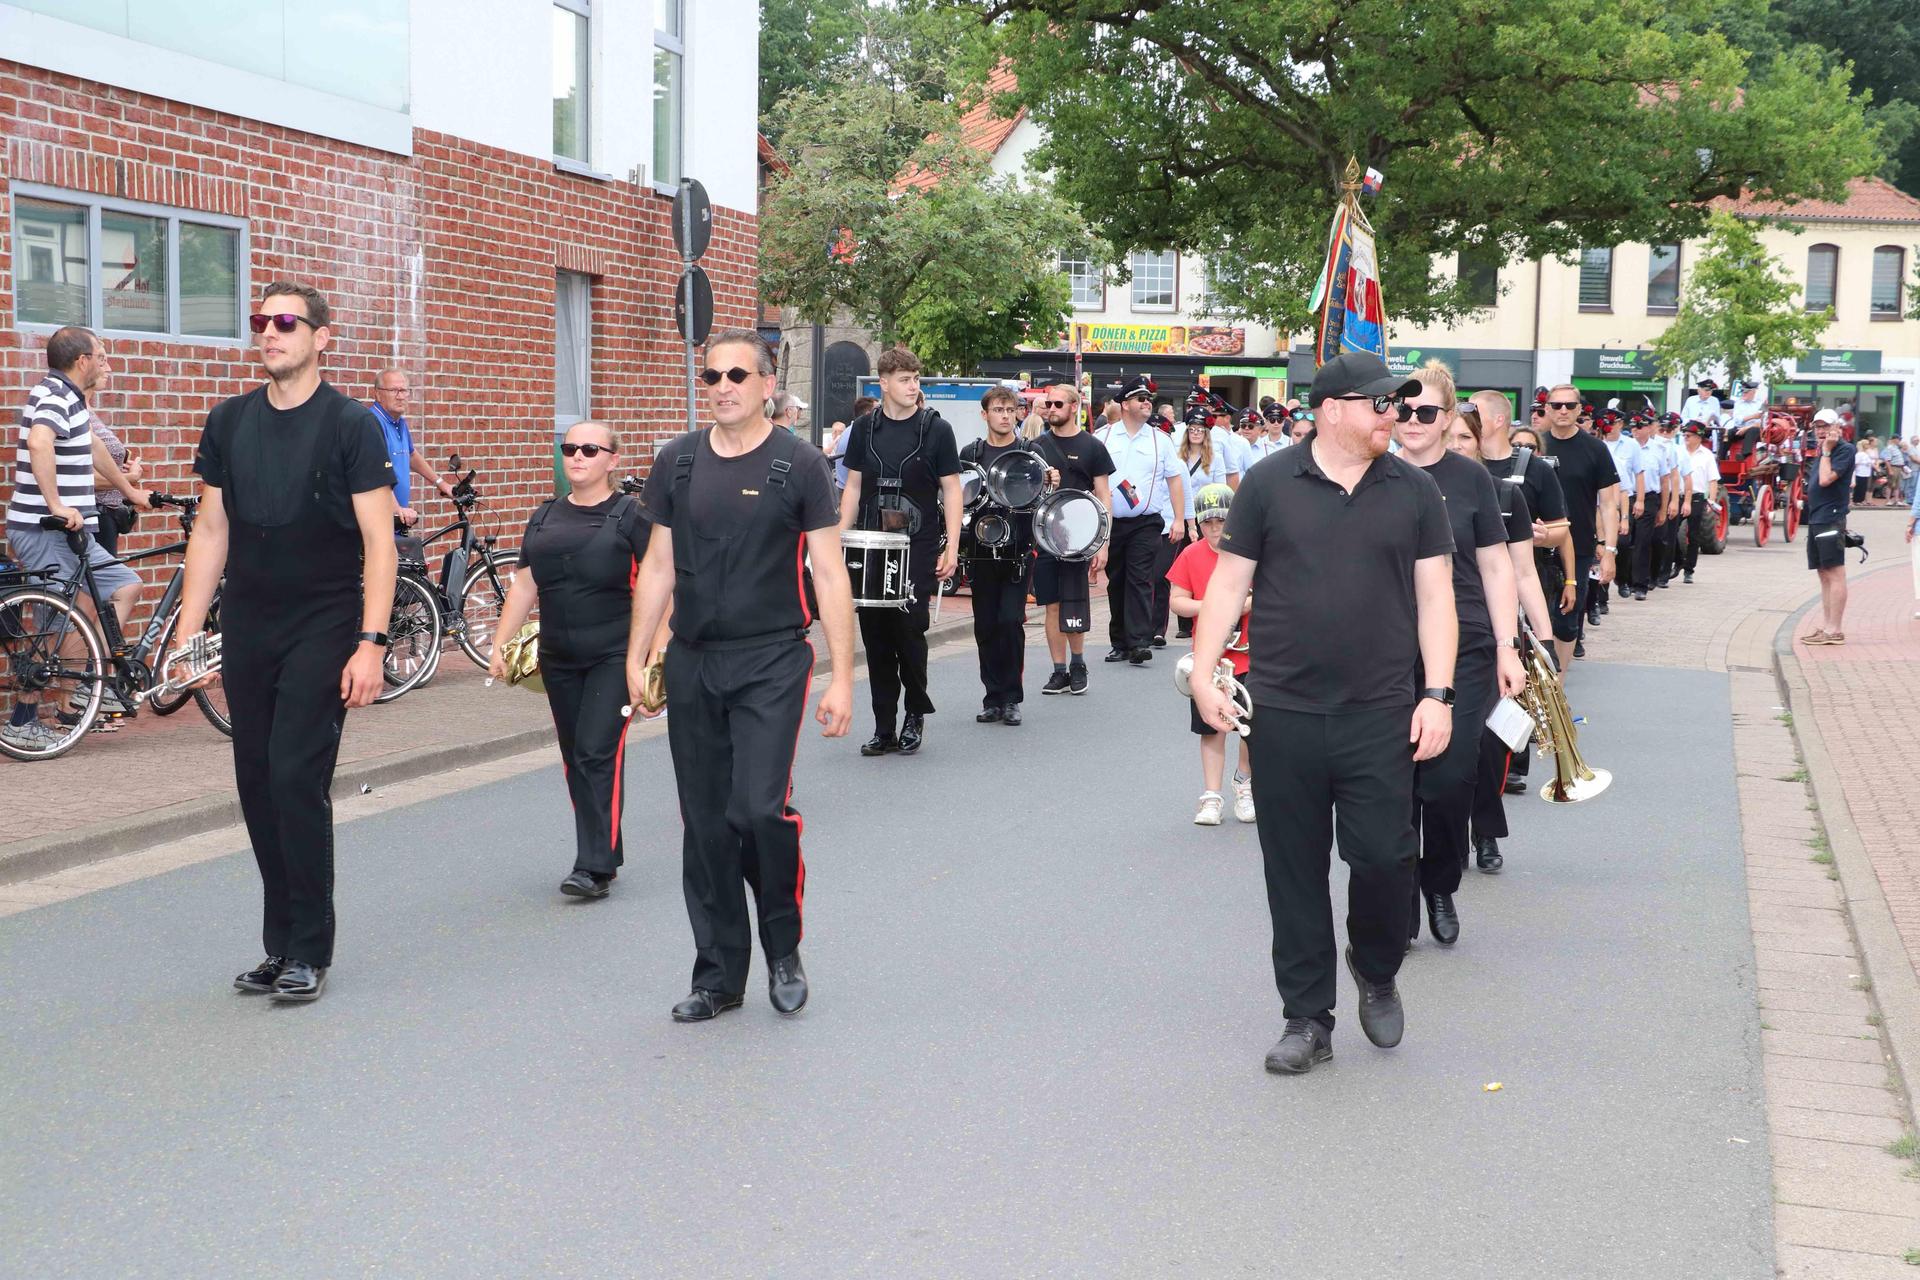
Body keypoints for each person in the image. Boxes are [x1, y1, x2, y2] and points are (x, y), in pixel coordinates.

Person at [1189, 352, 1457, 1076]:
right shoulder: (1270, 485)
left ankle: (1374, 966)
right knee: (1295, 870)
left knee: (1382, 857)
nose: (1394, 417)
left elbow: (1437, 599)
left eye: (1400, 405)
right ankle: (1306, 1018)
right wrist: (1205, 672)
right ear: (1332, 409)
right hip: (1284, 711)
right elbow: (1227, 584)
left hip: (1381, 712)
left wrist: (1437, 696)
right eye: (1381, 405)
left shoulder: (1415, 490)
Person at [174, 282, 397, 1004]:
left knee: (297, 778)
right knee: (257, 783)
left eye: (286, 322)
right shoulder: (230, 420)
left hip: (324, 621)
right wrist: (187, 634)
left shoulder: (349, 424)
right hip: (249, 622)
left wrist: (371, 642)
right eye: (260, 322)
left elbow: (378, 542)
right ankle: (280, 944)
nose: (269, 332)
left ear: (321, 337)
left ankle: (309, 948)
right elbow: (211, 531)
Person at [625, 327, 854, 1022]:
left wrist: (843, 677)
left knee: (757, 809)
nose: (721, 387)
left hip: (773, 660)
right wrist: (636, 657)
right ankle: (719, 976)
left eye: (735, 376)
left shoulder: (800, 465)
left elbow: (828, 569)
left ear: (765, 384)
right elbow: (658, 567)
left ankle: (782, 946)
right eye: (710, 376)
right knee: (705, 824)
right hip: (695, 659)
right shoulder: (678, 462)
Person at [490, 421, 665, 899]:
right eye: (570, 448)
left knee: (595, 749)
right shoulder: (544, 515)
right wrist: (501, 645)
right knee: (575, 756)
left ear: (613, 459)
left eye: (590, 449)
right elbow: (525, 584)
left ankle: (594, 866)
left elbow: (663, 585)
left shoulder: (633, 516)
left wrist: (654, 655)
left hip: (614, 654)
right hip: (558, 657)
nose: (578, 456)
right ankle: (601, 848)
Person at [1398, 363, 1525, 944]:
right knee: (1393, 784)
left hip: (1469, 641)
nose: (1412, 420)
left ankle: (1440, 885)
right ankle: (1396, 896)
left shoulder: (1472, 479)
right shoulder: (1371, 472)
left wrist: (1508, 646)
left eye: (1427, 411)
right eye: (1402, 408)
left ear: (1449, 419)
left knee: (1450, 779)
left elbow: (1499, 566)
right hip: (1391, 648)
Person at [6, 327, 151, 751]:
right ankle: (24, 716)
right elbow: (38, 441)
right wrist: (54, 504)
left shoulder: (71, 400)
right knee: (71, 612)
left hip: (75, 529)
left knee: (124, 587)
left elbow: (93, 450)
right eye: (101, 356)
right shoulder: (51, 394)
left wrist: (130, 492)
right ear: (81, 361)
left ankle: (91, 683)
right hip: (45, 528)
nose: (107, 365)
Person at [838, 347, 962, 756]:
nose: (914, 386)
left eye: (916, 379)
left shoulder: (936, 429)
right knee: (875, 637)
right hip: (872, 542)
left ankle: (915, 713)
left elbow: (952, 489)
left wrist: (952, 548)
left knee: (909, 631)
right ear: (884, 383)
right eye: (906, 379)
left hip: (918, 543)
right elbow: (853, 487)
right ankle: (883, 727)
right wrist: (839, 540)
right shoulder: (863, 429)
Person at [1449, 408, 1555, 875]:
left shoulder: (1503, 494)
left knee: (1490, 743)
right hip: (1425, 635)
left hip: (1491, 635)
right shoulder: (1409, 488)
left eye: (1463, 439)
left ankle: (1486, 830)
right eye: (1447, 437)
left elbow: (1523, 572)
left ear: (1479, 442)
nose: (1454, 447)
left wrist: (1544, 635)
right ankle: (1442, 840)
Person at [1168, 483, 1254, 826]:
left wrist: (1245, 603)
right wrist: (1212, 606)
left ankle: (1244, 781)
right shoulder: (1190, 554)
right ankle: (1211, 796)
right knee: (1211, 728)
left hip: (1250, 655)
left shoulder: (1251, 553)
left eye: (1222, 521)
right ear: (1198, 525)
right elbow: (1176, 600)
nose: (1215, 529)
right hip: (1209, 660)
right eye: (1208, 523)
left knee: (1251, 728)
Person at [1029, 382, 1113, 693]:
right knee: (1051, 605)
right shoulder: (1036, 446)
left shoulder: (1093, 447)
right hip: (1046, 537)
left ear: (1074, 406)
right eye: (1048, 404)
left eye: (1058, 404)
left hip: (1081, 539)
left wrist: (1103, 543)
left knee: (1074, 604)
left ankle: (1079, 663)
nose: (1051, 409)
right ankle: (1058, 670)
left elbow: (1104, 495)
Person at [1098, 374, 1187, 664]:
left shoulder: (1161, 440)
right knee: (1117, 581)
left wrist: (1179, 520)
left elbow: (1175, 480)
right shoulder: (1104, 437)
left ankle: (1139, 641)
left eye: (1149, 399)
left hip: (1147, 521)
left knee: (1140, 578)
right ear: (1124, 404)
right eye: (1141, 399)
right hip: (1112, 523)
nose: (1147, 403)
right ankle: (1120, 642)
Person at [962, 386, 1037, 725]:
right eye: (998, 410)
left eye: (1010, 409)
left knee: (1010, 620)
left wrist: (1050, 478)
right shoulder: (971, 453)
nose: (1005, 416)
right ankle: (992, 697)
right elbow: (956, 497)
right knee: (986, 625)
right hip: (979, 551)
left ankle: (1011, 697)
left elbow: (1043, 495)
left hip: (1018, 550)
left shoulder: (1029, 452)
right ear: (985, 414)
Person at [1541, 384, 1620, 665]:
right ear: (1547, 408)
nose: (1563, 410)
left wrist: (1609, 550)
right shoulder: (1534, 445)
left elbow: (1609, 504)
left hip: (1580, 548)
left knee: (1567, 621)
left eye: (1570, 406)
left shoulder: (1596, 449)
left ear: (1579, 410)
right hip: (1536, 545)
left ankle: (1559, 689)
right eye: (1557, 405)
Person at [368, 368, 455, 528]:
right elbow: (375, 473)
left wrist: (443, 484)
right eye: (394, 390)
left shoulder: (398, 422)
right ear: (378, 394)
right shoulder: (373, 423)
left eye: (404, 390)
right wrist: (397, 509)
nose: (400, 396)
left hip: (397, 518)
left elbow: (411, 455)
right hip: (380, 522)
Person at [1802, 413, 1856, 645]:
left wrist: (1826, 451)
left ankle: (1835, 630)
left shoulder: (1843, 450)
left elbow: (1825, 480)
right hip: (1817, 517)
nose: (1820, 431)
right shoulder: (1824, 450)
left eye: (1825, 426)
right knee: (1823, 572)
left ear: (1836, 427)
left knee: (1835, 572)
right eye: (1817, 427)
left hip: (1831, 517)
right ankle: (1827, 626)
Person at [1622, 413, 1670, 600]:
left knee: (1642, 542)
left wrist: (1663, 509)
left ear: (1650, 428)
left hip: (1649, 498)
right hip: (1626, 497)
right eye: (1633, 426)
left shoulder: (1659, 449)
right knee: (1624, 541)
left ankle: (1640, 584)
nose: (1635, 430)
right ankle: (1623, 579)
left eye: (1640, 426)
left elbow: (1665, 481)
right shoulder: (1625, 446)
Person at [90, 417, 139, 557]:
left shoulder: (87, 410)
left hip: (108, 517)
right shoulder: (76, 409)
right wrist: (131, 477)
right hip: (96, 515)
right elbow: (89, 479)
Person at [1680, 423, 1720, 583]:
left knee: (1694, 535)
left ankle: (1689, 570)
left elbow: (1713, 480)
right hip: (1678, 496)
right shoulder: (1679, 451)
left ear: (1698, 437)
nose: (1685, 438)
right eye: (1684, 435)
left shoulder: (1707, 455)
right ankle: (1675, 561)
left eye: (1688, 436)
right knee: (1669, 533)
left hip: (1697, 498)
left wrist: (1711, 501)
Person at [1853, 433, 1880, 506]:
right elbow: (1856, 463)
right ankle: (1857, 500)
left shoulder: (1865, 454)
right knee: (1859, 486)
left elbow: (1871, 461)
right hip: (1860, 472)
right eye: (1867, 444)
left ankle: (1861, 500)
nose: (1868, 446)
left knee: (1863, 487)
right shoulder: (1859, 454)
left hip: (1866, 473)